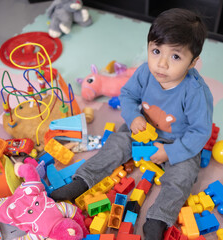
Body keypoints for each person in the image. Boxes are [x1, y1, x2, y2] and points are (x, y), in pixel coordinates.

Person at [51, 8, 213, 240]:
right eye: (156, 51)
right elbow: (127, 95)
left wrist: (169, 151)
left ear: (192, 63)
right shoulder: (145, 72)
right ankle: (81, 181)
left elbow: (200, 132)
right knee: (116, 144)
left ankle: (159, 218)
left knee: (183, 175)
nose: (162, 64)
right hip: (143, 128)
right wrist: (134, 117)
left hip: (180, 141)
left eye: (175, 56)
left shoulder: (196, 92)